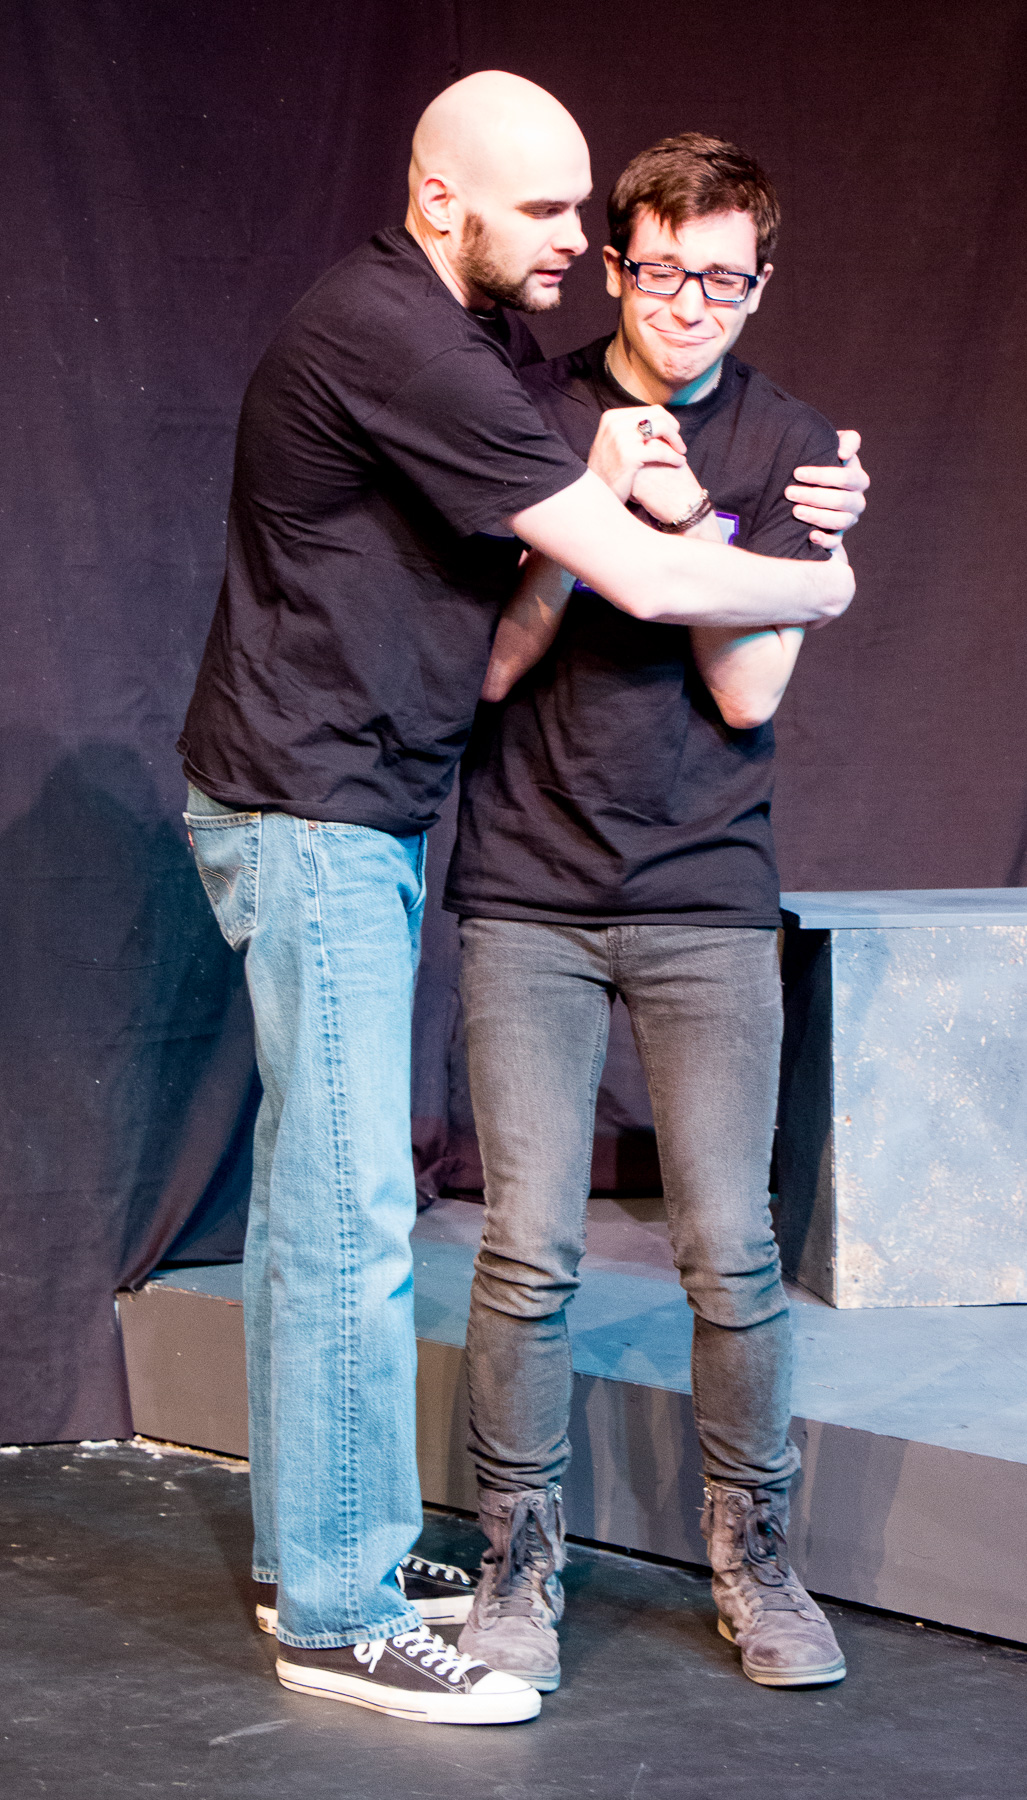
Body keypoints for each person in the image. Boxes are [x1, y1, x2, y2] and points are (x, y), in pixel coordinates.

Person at [178, 73, 865, 1725]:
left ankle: (311, 1549)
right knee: (352, 1222)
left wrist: (674, 502)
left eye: (581, 212)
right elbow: (626, 578)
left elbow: (696, 651)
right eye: (552, 212)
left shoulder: (463, 340)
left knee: (321, 1209)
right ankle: (341, 1611)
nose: (576, 243)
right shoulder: (414, 342)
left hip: (371, 814)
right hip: (324, 811)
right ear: (441, 200)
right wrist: (826, 576)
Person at [446, 132, 860, 1694]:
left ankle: (757, 1557)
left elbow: (749, 693)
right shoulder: (528, 412)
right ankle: (517, 1555)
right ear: (617, 266)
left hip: (703, 895)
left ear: (762, 284)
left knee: (732, 1251)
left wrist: (689, 530)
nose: (691, 305)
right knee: (528, 1250)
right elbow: (491, 665)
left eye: (725, 280)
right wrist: (588, 518)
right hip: (529, 893)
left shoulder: (788, 444)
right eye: (665, 271)